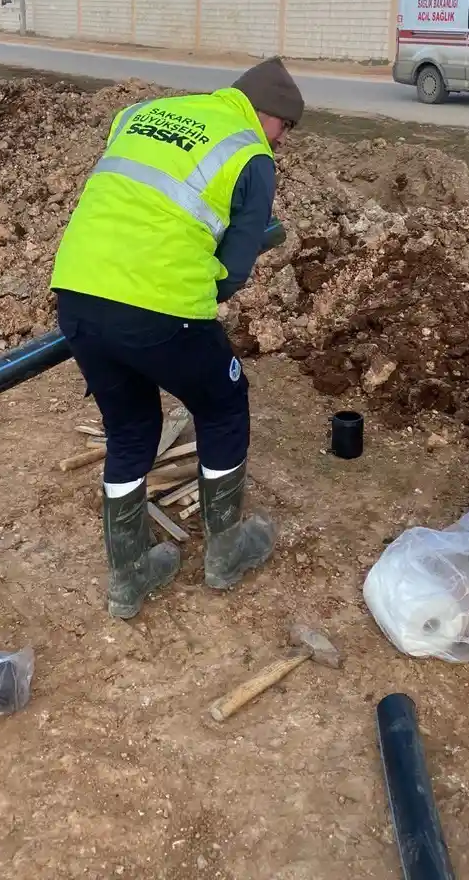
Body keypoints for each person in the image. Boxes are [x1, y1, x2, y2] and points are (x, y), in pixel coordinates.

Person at [51, 57, 304, 620]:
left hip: (76, 296)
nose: (283, 141)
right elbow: (235, 268)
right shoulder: (251, 156)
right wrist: (197, 289)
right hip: (161, 308)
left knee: (131, 429)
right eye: (286, 128)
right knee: (223, 404)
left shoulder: (145, 112)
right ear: (268, 116)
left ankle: (129, 578)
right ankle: (225, 553)